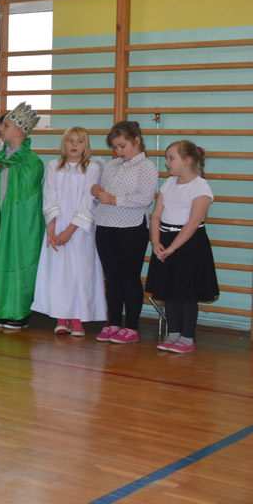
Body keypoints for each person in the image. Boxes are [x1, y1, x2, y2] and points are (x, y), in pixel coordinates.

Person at [31, 127, 107, 335]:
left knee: (80, 274)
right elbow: (49, 195)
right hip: (57, 227)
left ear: (86, 145)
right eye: (70, 140)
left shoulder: (92, 168)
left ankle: (78, 319)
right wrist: (52, 229)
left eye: (80, 141)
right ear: (63, 144)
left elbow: (87, 202)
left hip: (80, 230)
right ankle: (61, 318)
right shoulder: (53, 166)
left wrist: (70, 231)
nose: (74, 144)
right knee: (59, 274)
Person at [147, 141, 217, 353]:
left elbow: (193, 223)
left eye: (171, 158)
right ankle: (173, 333)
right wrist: (156, 242)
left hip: (189, 244)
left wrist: (172, 248)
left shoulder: (200, 187)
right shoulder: (168, 184)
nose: (167, 163)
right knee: (169, 290)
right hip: (166, 241)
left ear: (186, 161)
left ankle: (187, 337)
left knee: (187, 292)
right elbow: (156, 215)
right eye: (167, 158)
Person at [91, 120, 158, 344]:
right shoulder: (111, 166)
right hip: (105, 226)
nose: (119, 151)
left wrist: (114, 199)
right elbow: (104, 194)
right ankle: (113, 323)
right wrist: (97, 191)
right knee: (112, 278)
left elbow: (145, 198)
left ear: (136, 141)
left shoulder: (146, 166)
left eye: (123, 146)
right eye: (115, 147)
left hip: (131, 229)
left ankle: (131, 327)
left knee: (129, 277)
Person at [0, 102, 46, 330]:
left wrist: (12, 166)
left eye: (6, 126)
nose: (2, 129)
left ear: (18, 131)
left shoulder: (32, 161)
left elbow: (29, 194)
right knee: (0, 262)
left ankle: (19, 312)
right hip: (0, 217)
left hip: (20, 223)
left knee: (19, 262)